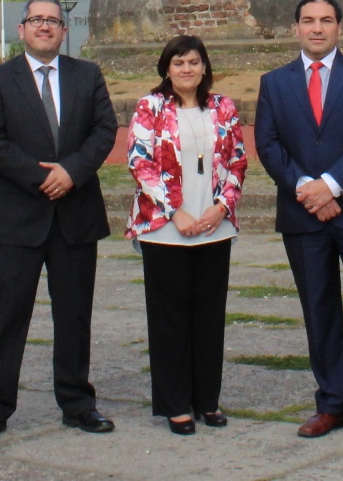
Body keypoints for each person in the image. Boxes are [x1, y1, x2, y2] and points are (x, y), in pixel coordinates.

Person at [0, 0, 120, 440]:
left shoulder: (87, 74)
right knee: (7, 317)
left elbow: (104, 130)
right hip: (19, 218)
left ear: (64, 30)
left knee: (74, 316)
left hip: (75, 216)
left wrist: (71, 172)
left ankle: (77, 403)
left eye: (53, 21)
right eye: (36, 20)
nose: (45, 27)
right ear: (22, 29)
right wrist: (42, 178)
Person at [253, 0, 343, 443]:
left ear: (340, 27)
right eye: (309, 20)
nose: (317, 28)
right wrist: (306, 189)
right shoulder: (273, 83)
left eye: (327, 20)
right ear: (295, 27)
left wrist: (332, 186)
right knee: (320, 310)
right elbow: (268, 144)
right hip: (303, 216)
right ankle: (332, 403)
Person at [126, 35, 249, 435]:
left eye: (193, 62)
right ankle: (176, 403)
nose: (186, 69)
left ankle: (207, 401)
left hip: (214, 226)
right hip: (165, 229)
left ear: (204, 67)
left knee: (209, 318)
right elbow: (140, 162)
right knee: (169, 319)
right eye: (178, 63)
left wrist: (220, 207)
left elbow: (237, 160)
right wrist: (173, 212)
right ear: (166, 69)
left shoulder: (223, 107)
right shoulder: (151, 107)